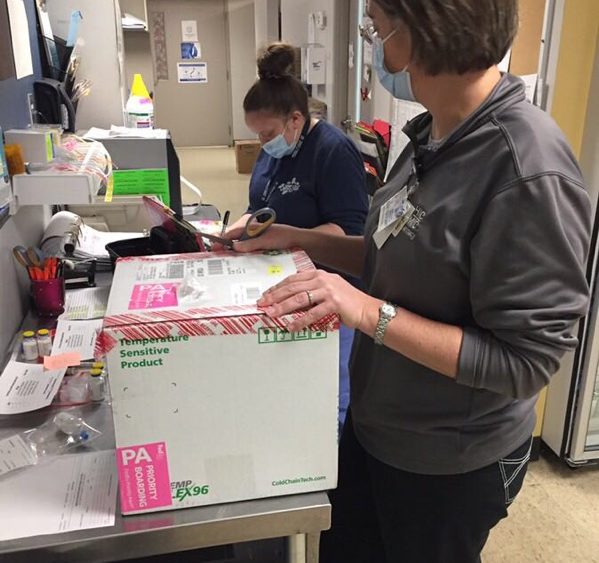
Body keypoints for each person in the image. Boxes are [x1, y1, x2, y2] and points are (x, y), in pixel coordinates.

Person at [225, 1, 592, 561]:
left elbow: (525, 363)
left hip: (447, 461)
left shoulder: (526, 169)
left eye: (376, 26)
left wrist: (364, 310)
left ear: (421, 31)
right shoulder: (429, 135)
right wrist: (295, 239)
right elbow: (388, 255)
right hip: (378, 426)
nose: (374, 43)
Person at [228, 42, 369, 430]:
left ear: (295, 119)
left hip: (331, 287)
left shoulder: (334, 152)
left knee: (329, 398)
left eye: (267, 133)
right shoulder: (273, 149)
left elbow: (348, 231)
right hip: (282, 276)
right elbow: (259, 205)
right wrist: (234, 230)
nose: (262, 143)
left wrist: (285, 239)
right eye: (256, 135)